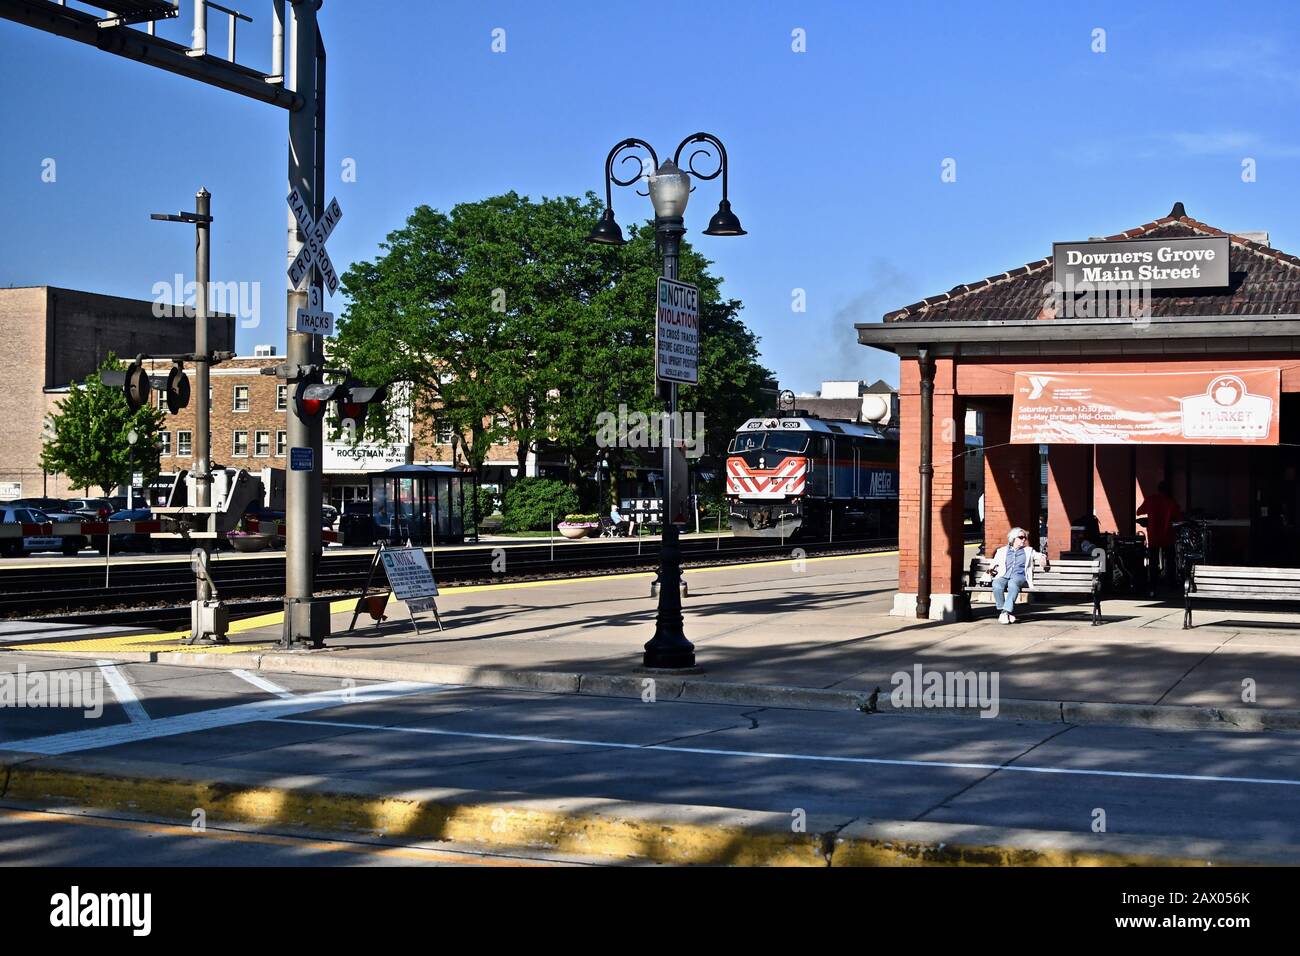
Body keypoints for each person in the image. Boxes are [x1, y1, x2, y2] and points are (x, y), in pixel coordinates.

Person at [989, 526, 1048, 625]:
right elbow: (994, 563)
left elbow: (1039, 555)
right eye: (1021, 537)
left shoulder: (1028, 551)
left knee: (1013, 584)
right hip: (1004, 574)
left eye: (1025, 538)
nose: (1024, 539)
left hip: (1019, 576)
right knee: (996, 585)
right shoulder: (1002, 551)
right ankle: (1004, 612)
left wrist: (1042, 557)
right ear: (1013, 538)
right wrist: (990, 570)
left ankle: (1005, 612)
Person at [1137, 480, 1181, 589]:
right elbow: (1178, 518)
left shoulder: (1150, 500)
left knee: (1153, 561)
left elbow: (1139, 511)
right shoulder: (1171, 502)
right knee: (1170, 561)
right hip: (1167, 536)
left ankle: (1153, 583)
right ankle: (1171, 583)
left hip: (1153, 535)